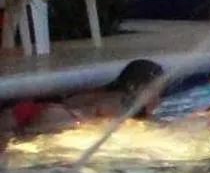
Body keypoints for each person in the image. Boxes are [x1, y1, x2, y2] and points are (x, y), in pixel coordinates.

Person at [4, 59, 167, 139]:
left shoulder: (112, 93)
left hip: (36, 109)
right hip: (55, 116)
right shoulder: (122, 103)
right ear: (133, 87)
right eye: (153, 91)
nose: (157, 98)